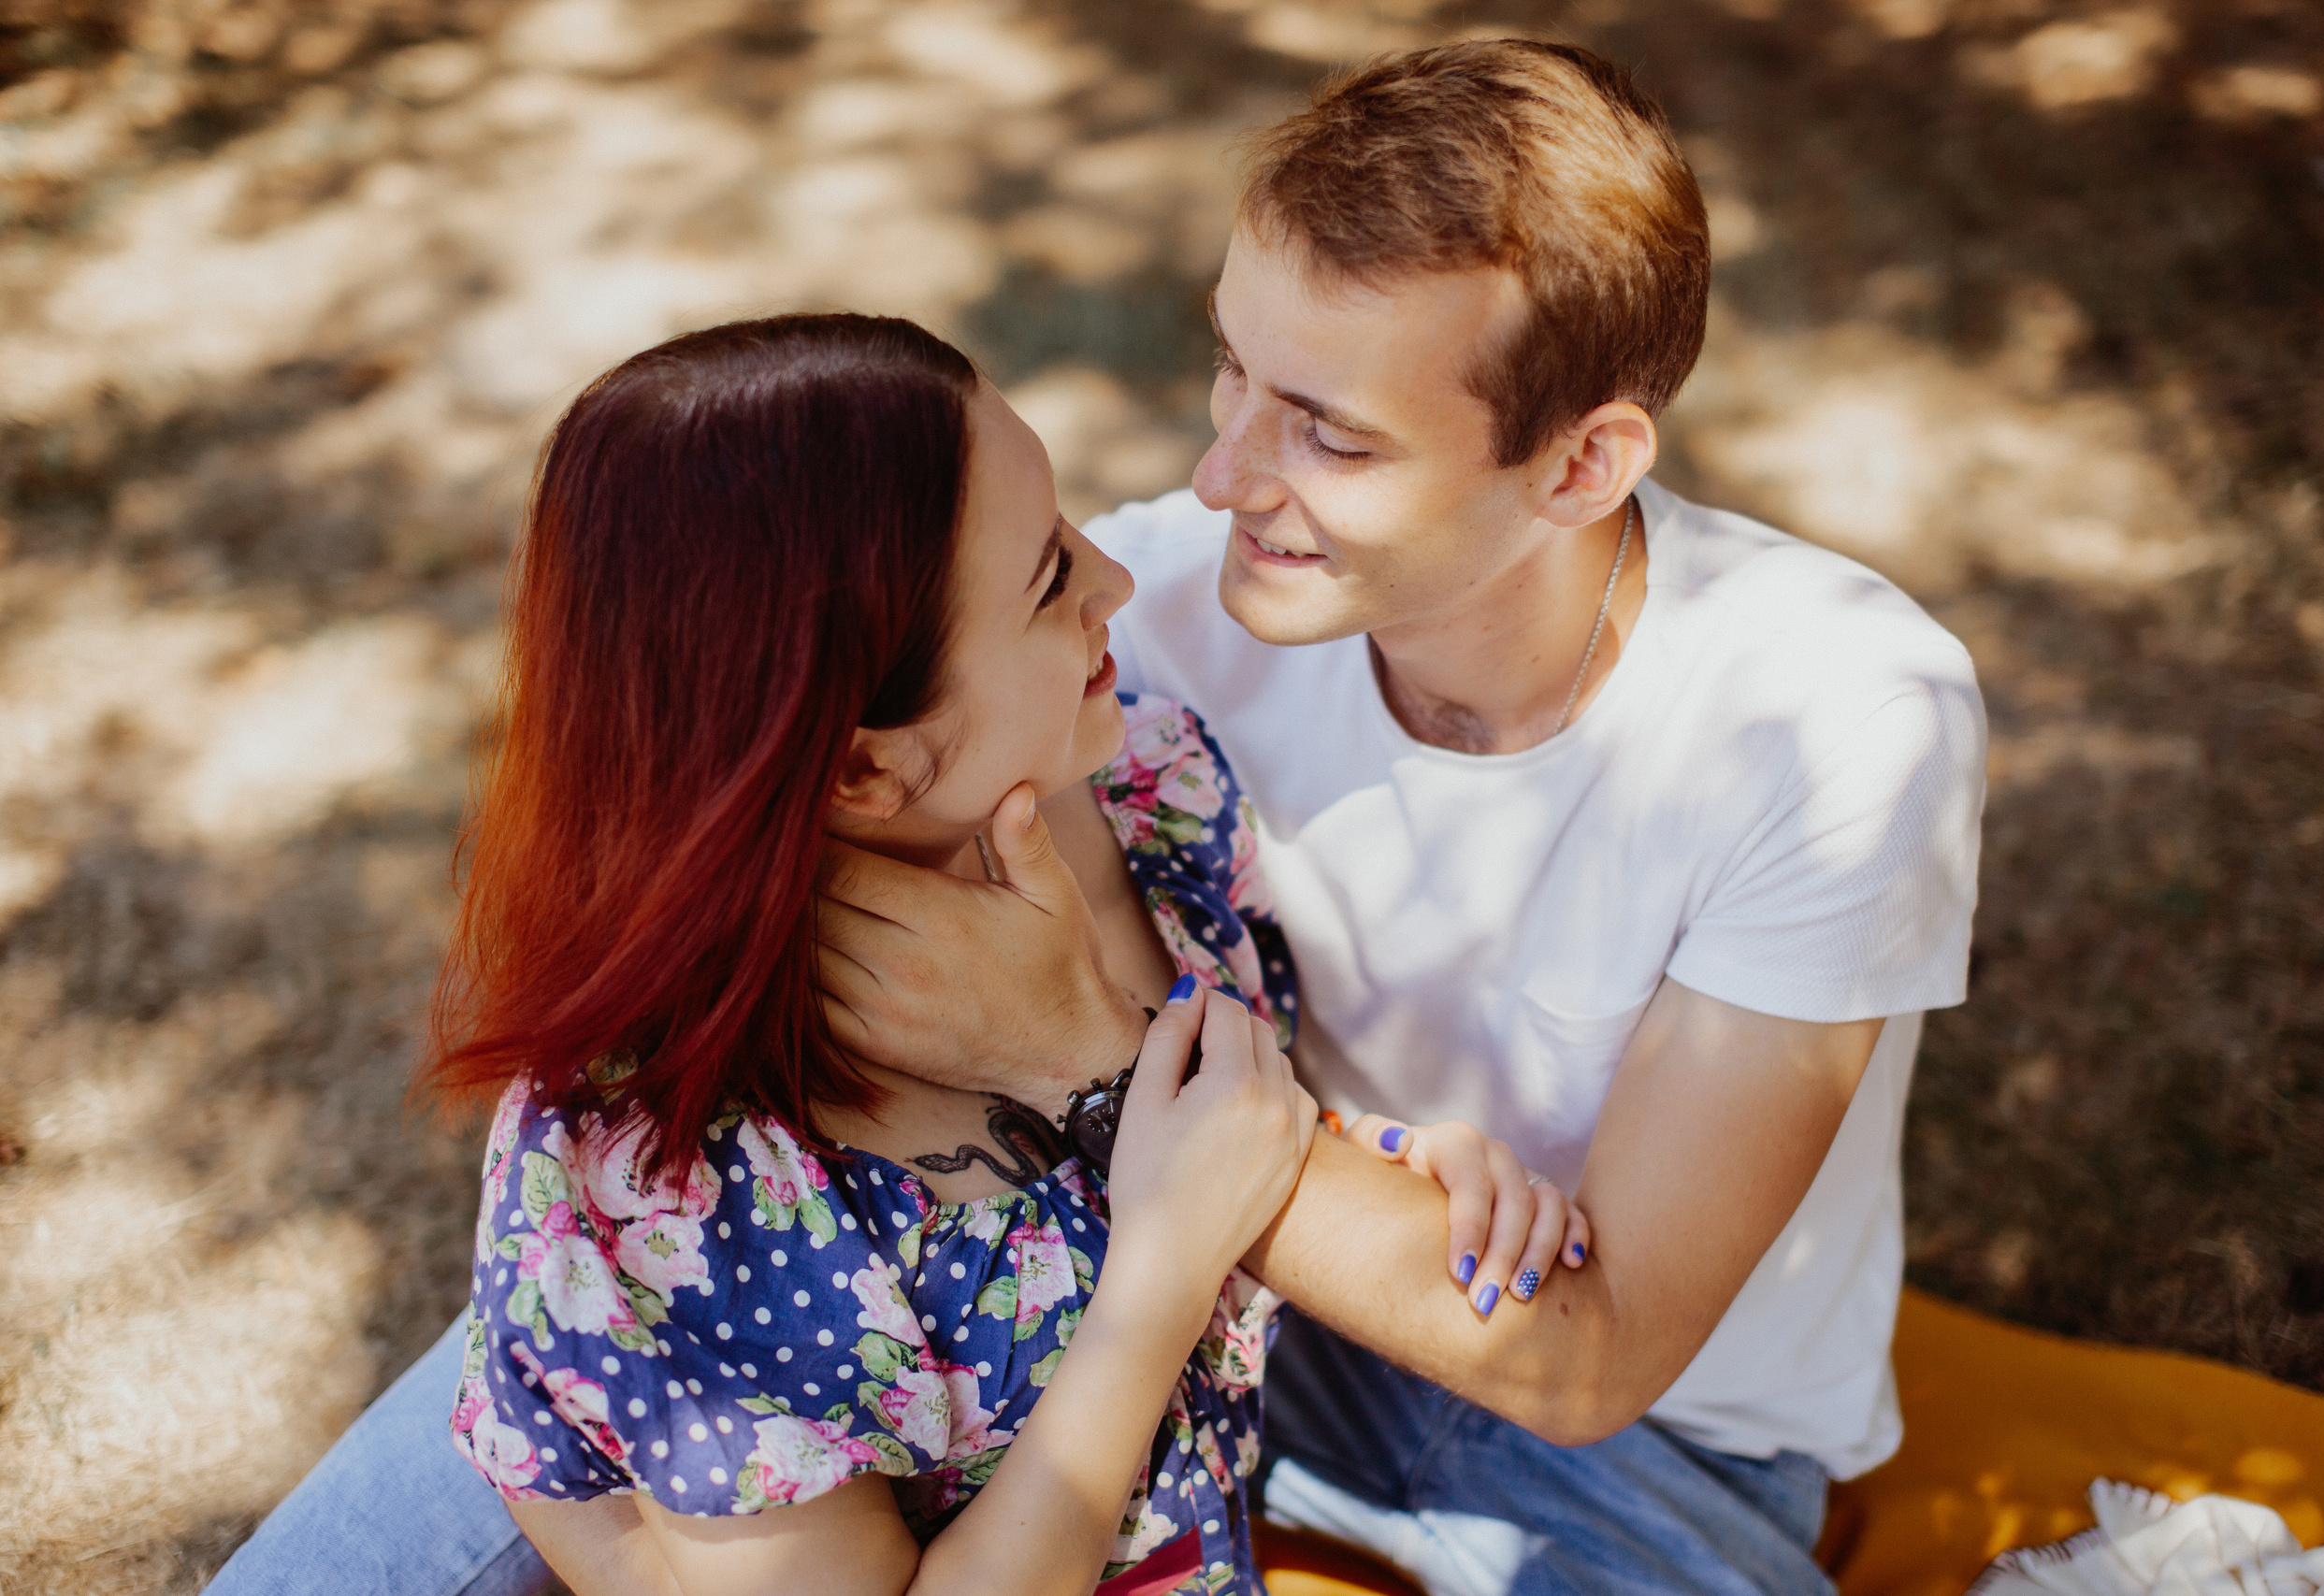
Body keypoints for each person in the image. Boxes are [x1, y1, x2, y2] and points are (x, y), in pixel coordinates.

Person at [813, 40, 1988, 1596]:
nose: (1222, 474)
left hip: (1628, 1427)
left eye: (1331, 434)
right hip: (1206, 1274)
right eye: (1232, 365)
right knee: (618, 1326)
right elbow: (787, 824)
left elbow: (1596, 1356)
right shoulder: (1148, 616)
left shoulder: (1838, 722)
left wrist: (1080, 1059)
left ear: (1581, 466)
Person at [205, 312, 1583, 1596]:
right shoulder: (663, 1186)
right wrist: (1157, 1279)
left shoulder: (1145, 787)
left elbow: (1211, 1120)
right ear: (864, 769)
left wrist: (1368, 1154)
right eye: (1050, 578)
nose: (1115, 579)